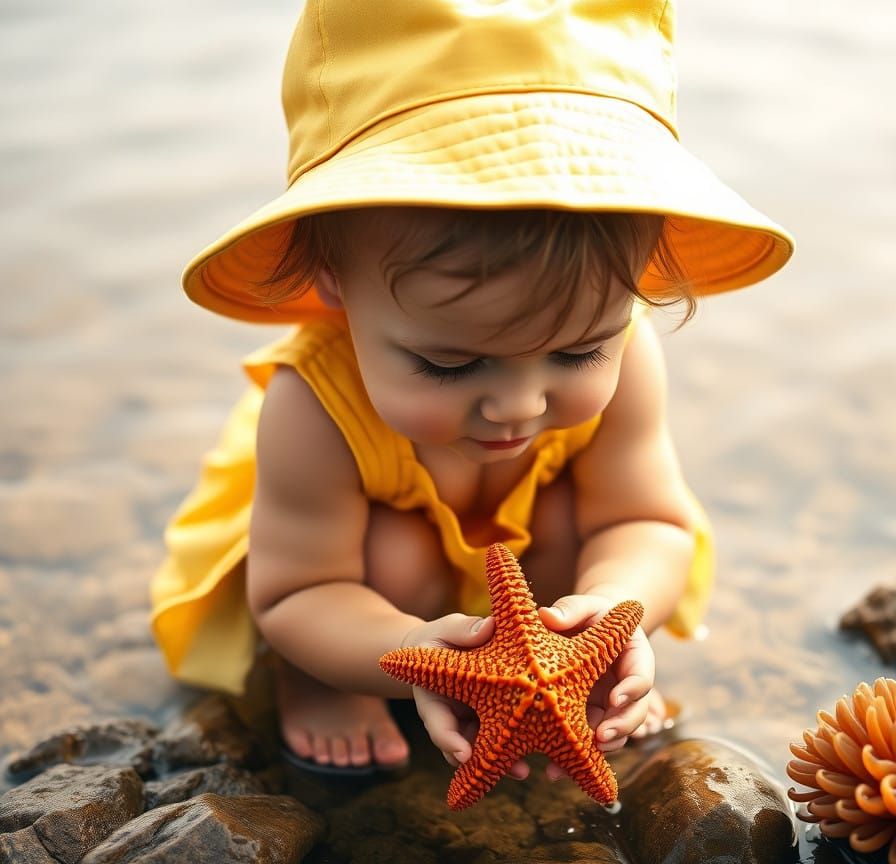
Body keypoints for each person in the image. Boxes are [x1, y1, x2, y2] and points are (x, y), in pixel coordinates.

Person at [150, 0, 792, 778]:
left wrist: (613, 617)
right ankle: (321, 678)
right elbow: (296, 592)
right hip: (363, 589)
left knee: (571, 518)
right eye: (452, 365)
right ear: (333, 282)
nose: (520, 407)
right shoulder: (313, 407)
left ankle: (561, 682)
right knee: (391, 553)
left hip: (522, 603)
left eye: (579, 351)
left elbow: (649, 521)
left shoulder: (632, 357)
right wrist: (410, 653)